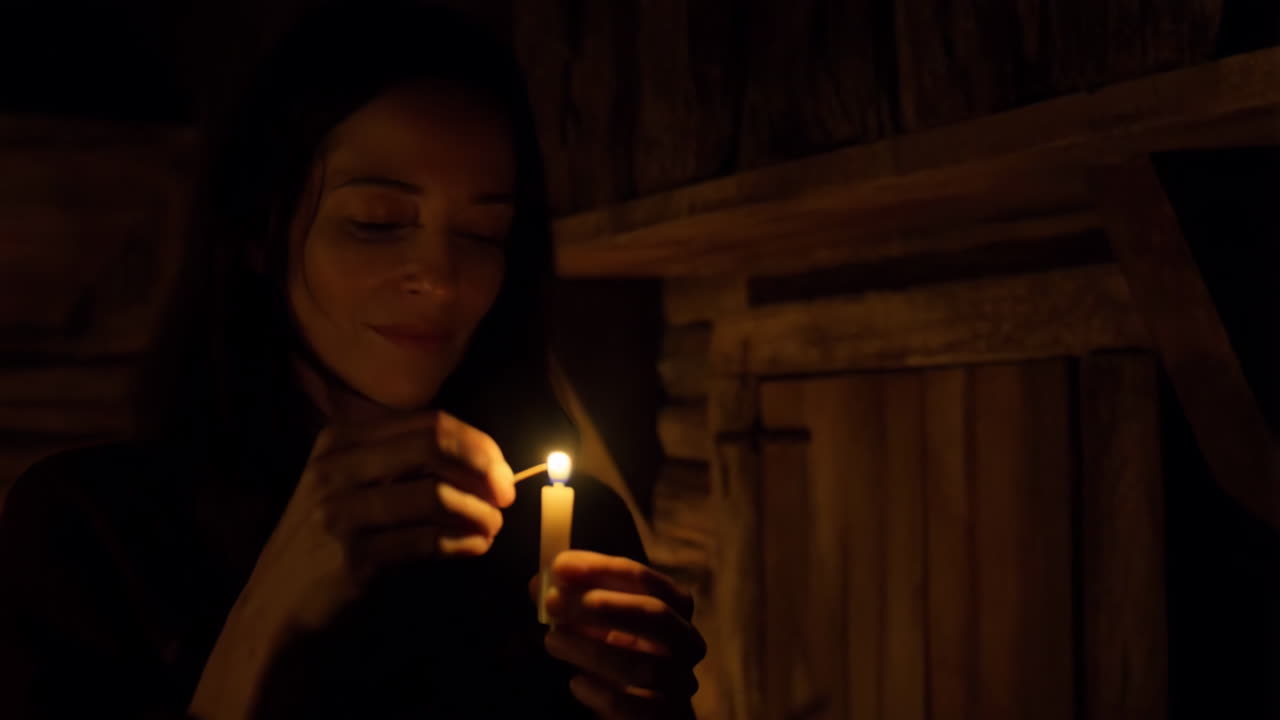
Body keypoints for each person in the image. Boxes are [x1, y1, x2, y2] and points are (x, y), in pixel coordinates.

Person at [0, 3, 705, 718]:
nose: (442, 280)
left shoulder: (575, 537)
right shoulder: (88, 534)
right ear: (261, 231)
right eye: (377, 223)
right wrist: (265, 619)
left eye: (483, 232)